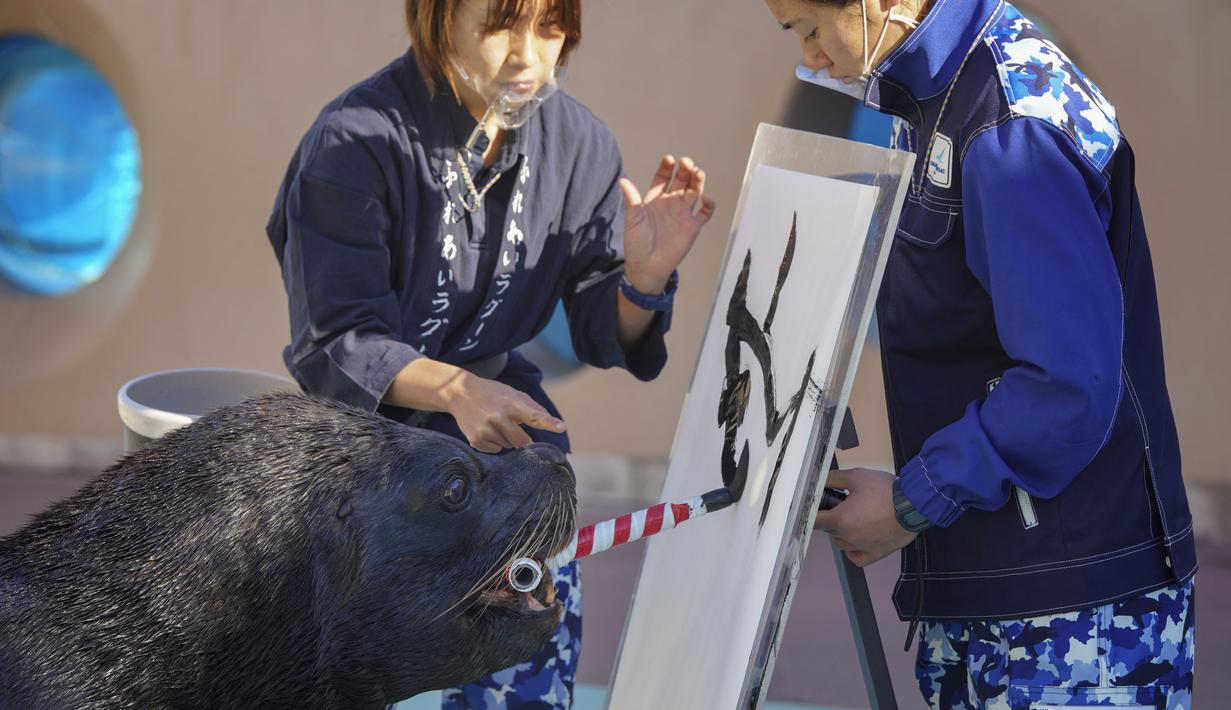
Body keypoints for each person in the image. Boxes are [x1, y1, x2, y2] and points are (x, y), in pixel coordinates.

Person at [265, 0, 716, 706]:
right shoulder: (354, 141)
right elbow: (335, 338)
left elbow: (606, 327)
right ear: (436, 17)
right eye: (501, 23)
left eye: (549, 27)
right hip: (362, 460)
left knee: (525, 676)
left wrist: (644, 278)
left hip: (504, 455)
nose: (526, 54)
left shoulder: (579, 143)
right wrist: (451, 390)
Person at [763, 0, 1197, 706]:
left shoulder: (1007, 123)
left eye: (810, 30)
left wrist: (912, 499)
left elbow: (1064, 386)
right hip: (1004, 577)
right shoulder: (944, 95)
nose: (809, 58)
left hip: (1068, 611)